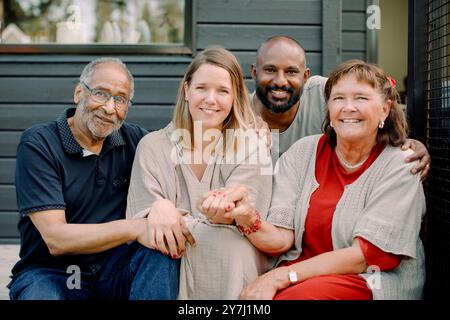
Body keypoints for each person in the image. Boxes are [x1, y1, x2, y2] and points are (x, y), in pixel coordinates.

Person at [213, 60, 426, 299]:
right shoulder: (302, 152)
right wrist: (246, 217)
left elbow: (368, 255)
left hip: (366, 279)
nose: (348, 107)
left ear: (385, 109)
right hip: (299, 274)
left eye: (361, 98)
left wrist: (282, 277)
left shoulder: (401, 165)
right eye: (338, 99)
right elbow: (282, 238)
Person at [8, 58, 180, 300]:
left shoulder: (137, 142)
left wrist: (164, 206)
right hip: (54, 272)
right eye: (101, 94)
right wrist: (135, 228)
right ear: (79, 93)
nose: (110, 108)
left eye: (120, 99)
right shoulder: (39, 144)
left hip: (115, 269)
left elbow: (182, 153)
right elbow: (56, 238)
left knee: (160, 249)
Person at [125, 46, 274, 300]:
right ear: (186, 90)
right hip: (165, 279)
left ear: (236, 97)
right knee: (160, 249)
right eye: (202, 88)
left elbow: (243, 216)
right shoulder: (152, 146)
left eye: (223, 91)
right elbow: (145, 227)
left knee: (231, 244)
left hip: (232, 274)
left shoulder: (252, 145)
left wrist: (172, 213)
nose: (211, 99)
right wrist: (159, 208)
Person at [251, 35, 430, 179]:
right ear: (254, 73)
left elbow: (376, 104)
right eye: (270, 70)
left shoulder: (326, 92)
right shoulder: (238, 113)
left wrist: (406, 141)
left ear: (305, 77)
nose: (280, 81)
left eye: (291, 72)